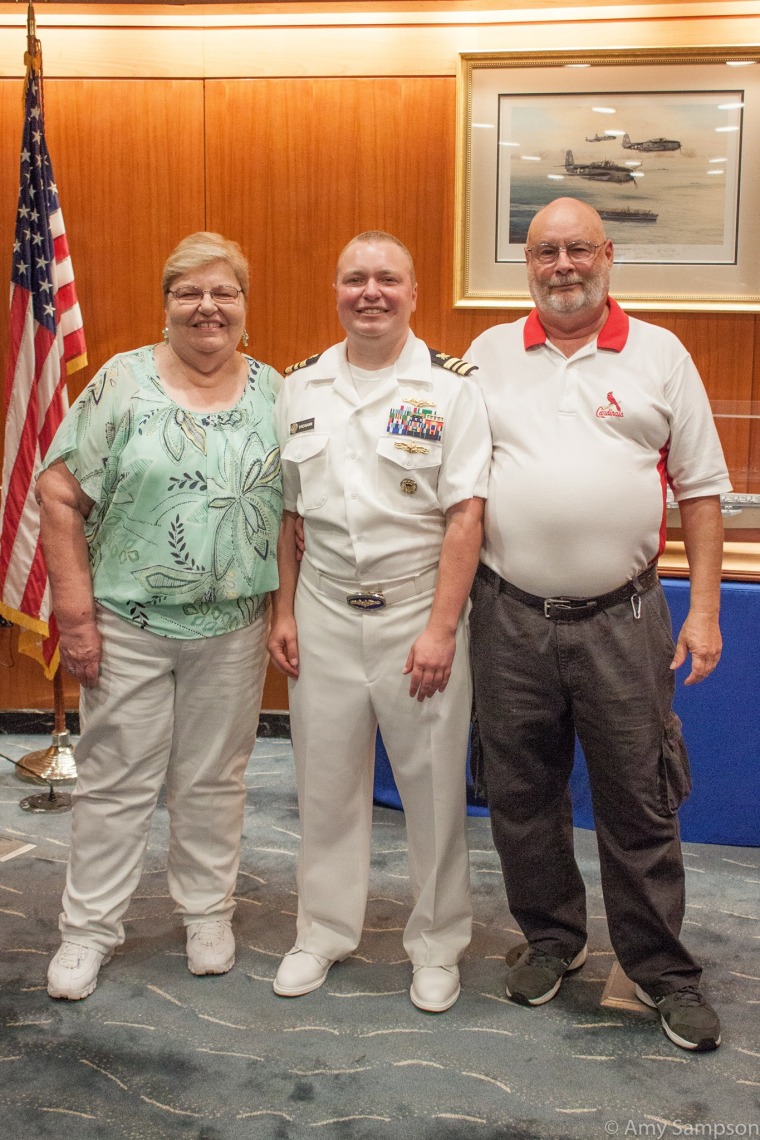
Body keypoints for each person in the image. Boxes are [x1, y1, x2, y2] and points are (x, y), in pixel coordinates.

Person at [466, 197, 730, 1052]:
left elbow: (698, 489)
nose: (564, 266)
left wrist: (707, 611)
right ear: (528, 263)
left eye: (580, 249)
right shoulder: (486, 356)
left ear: (608, 255)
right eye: (547, 252)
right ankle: (552, 939)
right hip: (507, 617)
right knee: (521, 794)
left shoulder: (660, 354)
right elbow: (455, 486)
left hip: (625, 619)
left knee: (640, 797)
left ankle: (661, 968)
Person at [36, 232, 283, 1000]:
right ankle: (88, 931)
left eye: (224, 293)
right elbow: (59, 494)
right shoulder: (122, 382)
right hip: (127, 626)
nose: (207, 307)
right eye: (189, 293)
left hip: (236, 626)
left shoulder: (278, 390)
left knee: (215, 779)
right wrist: (74, 613)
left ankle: (208, 913)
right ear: (167, 304)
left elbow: (300, 512)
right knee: (116, 781)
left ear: (244, 303)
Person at [267, 231, 490, 1012]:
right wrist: (284, 609)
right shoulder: (299, 387)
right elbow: (287, 513)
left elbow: (466, 516)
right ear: (336, 291)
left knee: (432, 790)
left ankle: (436, 943)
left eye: (387, 279)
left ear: (413, 292)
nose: (371, 292)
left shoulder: (453, 389)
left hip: (416, 614)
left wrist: (440, 628)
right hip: (322, 611)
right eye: (355, 278)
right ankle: (322, 931)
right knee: (323, 783)